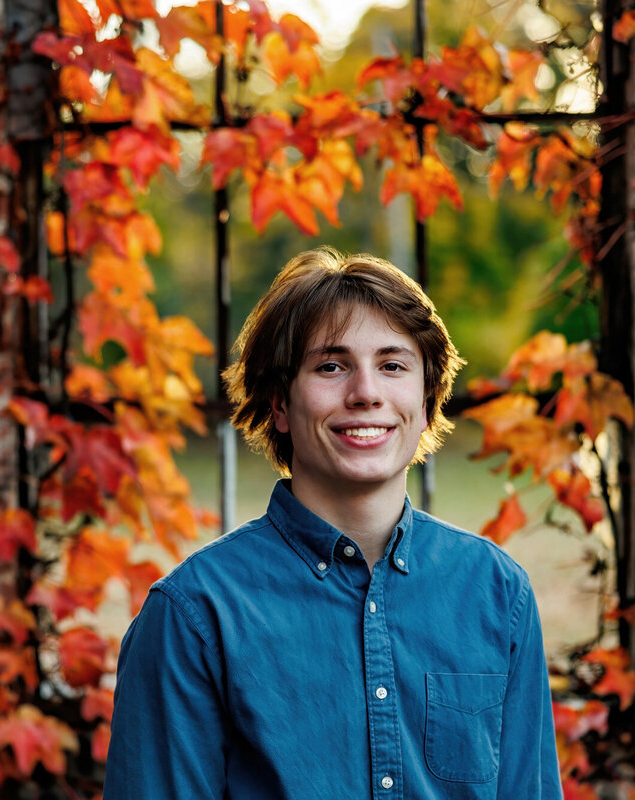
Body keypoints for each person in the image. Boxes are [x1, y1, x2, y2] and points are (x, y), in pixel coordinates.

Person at [103, 248, 562, 799]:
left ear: (424, 397)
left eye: (393, 366)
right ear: (278, 403)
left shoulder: (496, 592)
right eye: (331, 366)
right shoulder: (194, 616)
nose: (366, 392)